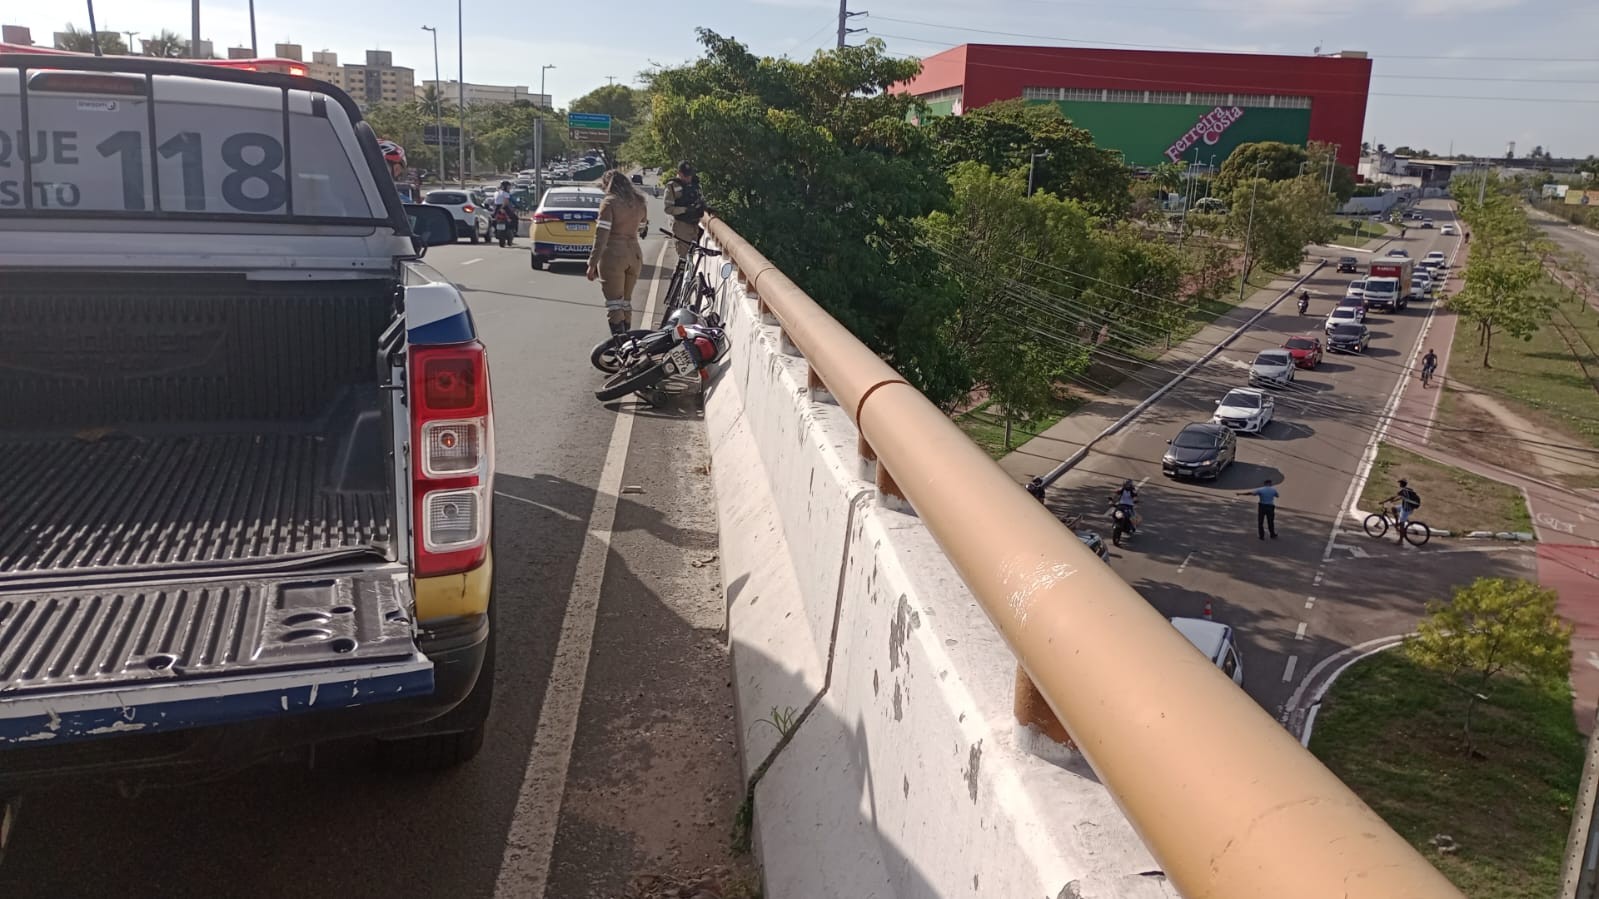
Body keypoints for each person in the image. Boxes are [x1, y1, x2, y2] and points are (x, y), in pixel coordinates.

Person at [586, 169, 650, 337]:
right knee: (626, 303)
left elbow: (602, 236)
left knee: (614, 305)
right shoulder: (639, 201)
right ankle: (629, 342)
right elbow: (643, 227)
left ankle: (619, 345)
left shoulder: (609, 202)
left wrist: (592, 263)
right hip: (634, 254)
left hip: (614, 255)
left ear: (609, 184)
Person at [663, 161, 706, 257]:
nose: (688, 178)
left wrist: (705, 207)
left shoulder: (695, 184)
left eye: (689, 175)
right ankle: (680, 272)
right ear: (679, 173)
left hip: (695, 226)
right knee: (683, 257)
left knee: (692, 257)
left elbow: (700, 199)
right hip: (681, 226)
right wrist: (685, 209)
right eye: (685, 175)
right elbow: (668, 209)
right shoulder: (672, 186)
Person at [1380, 479, 1423, 543]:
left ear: (1401, 484)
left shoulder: (1403, 491)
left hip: (1407, 509)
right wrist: (1393, 501)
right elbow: (1401, 498)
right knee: (1394, 508)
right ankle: (1397, 523)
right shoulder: (1408, 489)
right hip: (1406, 506)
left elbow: (1393, 497)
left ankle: (1400, 540)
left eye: (1400, 483)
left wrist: (1383, 502)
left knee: (1402, 525)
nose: (1399, 484)